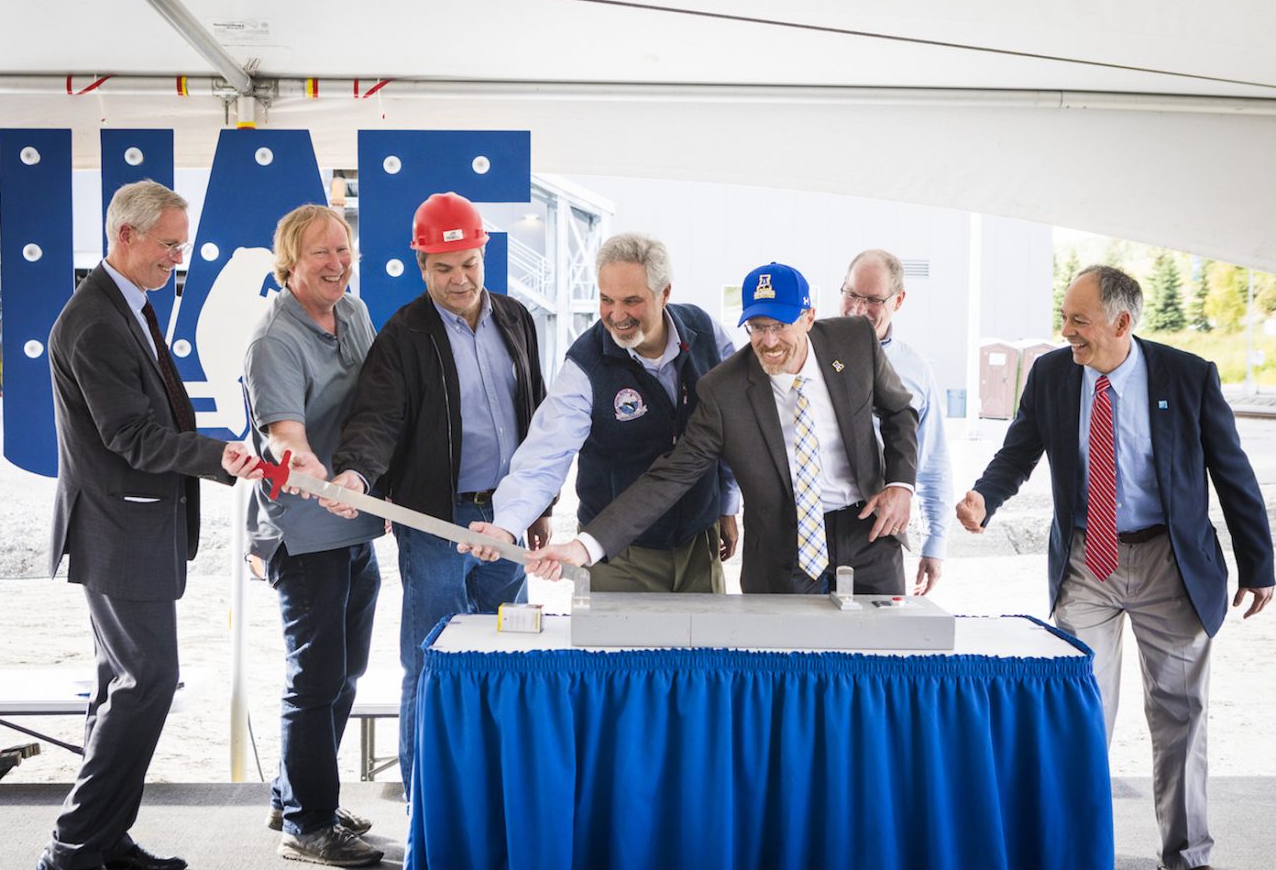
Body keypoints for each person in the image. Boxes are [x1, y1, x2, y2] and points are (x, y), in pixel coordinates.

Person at [955, 265, 1273, 870]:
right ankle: (1076, 853)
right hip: (1086, 559)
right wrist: (983, 497)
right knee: (1079, 710)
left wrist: (1260, 563)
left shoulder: (1186, 376)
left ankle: (1187, 857)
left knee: (1181, 714)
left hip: (1167, 560)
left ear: (1122, 322)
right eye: (1065, 317)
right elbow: (1019, 450)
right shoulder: (1052, 373)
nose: (1066, 331)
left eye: (1080, 320)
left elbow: (1233, 473)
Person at [40, 181, 263, 870]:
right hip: (118, 528)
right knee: (147, 682)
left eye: (181, 244)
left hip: (133, 526)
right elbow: (132, 436)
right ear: (125, 236)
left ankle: (104, 840)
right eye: (168, 244)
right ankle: (73, 846)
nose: (177, 257)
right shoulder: (96, 322)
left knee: (123, 685)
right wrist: (218, 455)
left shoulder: (131, 305)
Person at [329, 191, 550, 796]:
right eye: (444, 268)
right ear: (422, 267)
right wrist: (355, 473)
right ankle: (426, 794)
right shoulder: (404, 334)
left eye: (469, 264)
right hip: (436, 521)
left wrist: (538, 509)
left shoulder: (516, 319)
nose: (459, 279)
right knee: (432, 657)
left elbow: (536, 418)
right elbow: (377, 419)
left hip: (506, 516)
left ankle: (494, 786)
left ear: (484, 254)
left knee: (507, 650)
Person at [527, 261, 919, 596]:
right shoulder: (724, 389)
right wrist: (586, 546)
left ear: (808, 317)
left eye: (780, 326)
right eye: (757, 327)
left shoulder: (853, 341)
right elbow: (670, 476)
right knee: (787, 676)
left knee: (883, 666)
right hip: (783, 553)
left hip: (867, 533)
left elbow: (900, 411)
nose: (768, 342)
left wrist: (901, 485)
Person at [464, 232, 739, 592]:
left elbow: (730, 425)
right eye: (606, 299)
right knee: (620, 650)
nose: (617, 315)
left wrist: (727, 504)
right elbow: (545, 454)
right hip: (617, 555)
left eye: (632, 301)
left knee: (704, 649)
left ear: (665, 294)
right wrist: (508, 523)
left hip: (698, 545)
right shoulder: (586, 365)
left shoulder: (705, 332)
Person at [242, 206, 383, 866]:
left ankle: (295, 794)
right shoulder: (275, 339)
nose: (338, 263)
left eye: (344, 250)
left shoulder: (351, 313)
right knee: (316, 675)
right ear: (290, 262)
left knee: (347, 669)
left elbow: (380, 396)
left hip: (351, 519)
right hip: (300, 529)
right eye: (322, 254)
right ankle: (307, 825)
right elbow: (282, 430)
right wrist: (300, 457)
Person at [839, 249, 953, 594]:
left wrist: (935, 543)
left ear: (898, 300)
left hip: (881, 529)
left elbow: (931, 460)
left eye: (873, 300)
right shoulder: (808, 350)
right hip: (810, 526)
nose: (859, 308)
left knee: (879, 640)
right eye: (851, 295)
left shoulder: (916, 370)